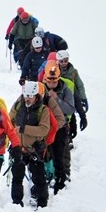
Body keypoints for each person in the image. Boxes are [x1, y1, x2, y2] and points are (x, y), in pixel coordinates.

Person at [10, 80, 51, 208]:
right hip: (18, 149)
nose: (27, 98)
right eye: (26, 95)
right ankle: (16, 202)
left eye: (30, 96)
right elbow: (8, 120)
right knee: (17, 177)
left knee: (39, 178)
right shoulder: (18, 105)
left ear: (36, 96)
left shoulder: (43, 110)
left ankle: (42, 203)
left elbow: (44, 129)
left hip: (34, 149)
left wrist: (23, 129)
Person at [42, 55, 76, 194]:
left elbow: (70, 109)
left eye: (54, 82)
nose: (51, 84)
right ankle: (46, 176)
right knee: (44, 154)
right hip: (44, 128)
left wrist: (57, 101)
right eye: (49, 82)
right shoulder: (40, 89)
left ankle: (60, 179)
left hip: (60, 128)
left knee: (59, 155)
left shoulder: (66, 90)